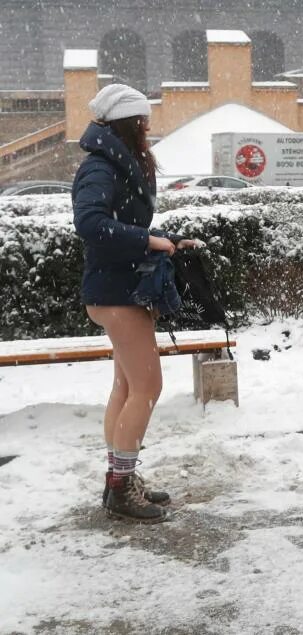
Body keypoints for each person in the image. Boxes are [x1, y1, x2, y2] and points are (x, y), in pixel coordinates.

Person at [73, 84, 199, 523]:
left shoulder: (111, 164)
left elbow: (115, 223)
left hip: (116, 288)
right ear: (130, 125)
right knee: (148, 387)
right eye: (143, 123)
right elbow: (90, 224)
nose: (148, 130)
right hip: (116, 293)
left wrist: (163, 244)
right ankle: (121, 489)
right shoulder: (101, 167)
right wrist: (146, 239)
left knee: (126, 387)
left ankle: (118, 479)